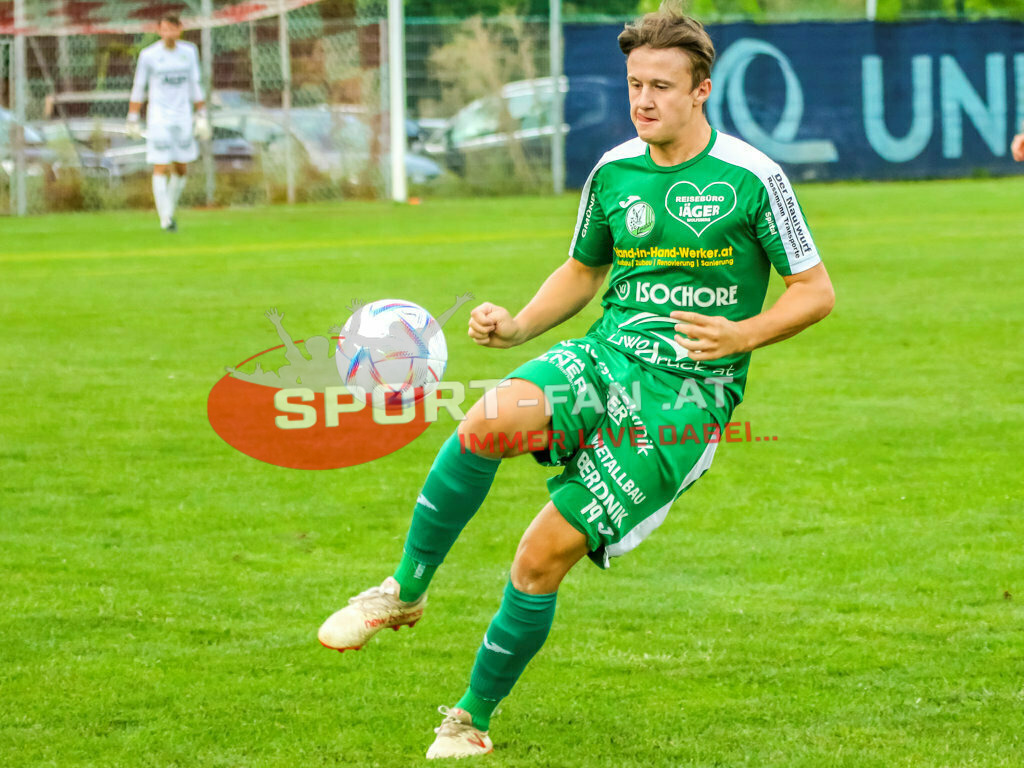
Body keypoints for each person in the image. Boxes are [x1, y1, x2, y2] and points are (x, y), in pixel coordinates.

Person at [318, 7, 835, 760]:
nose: (644, 99)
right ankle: (403, 590)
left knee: (539, 557)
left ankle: (470, 719)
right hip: (604, 355)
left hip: (683, 402)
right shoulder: (615, 169)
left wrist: (743, 334)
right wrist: (520, 325)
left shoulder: (754, 178)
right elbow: (586, 268)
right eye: (634, 84)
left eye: (661, 85)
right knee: (486, 422)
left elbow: (815, 291)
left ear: (702, 91)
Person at [126, 13, 210, 232]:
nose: (169, 33)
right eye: (165, 29)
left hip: (183, 117)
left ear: (180, 29)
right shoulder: (149, 55)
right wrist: (133, 118)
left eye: (173, 28)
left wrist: (202, 115)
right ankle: (165, 219)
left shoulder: (189, 52)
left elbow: (195, 84)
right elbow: (139, 86)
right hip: (159, 118)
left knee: (181, 168)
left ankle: (169, 210)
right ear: (159, 30)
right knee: (161, 165)